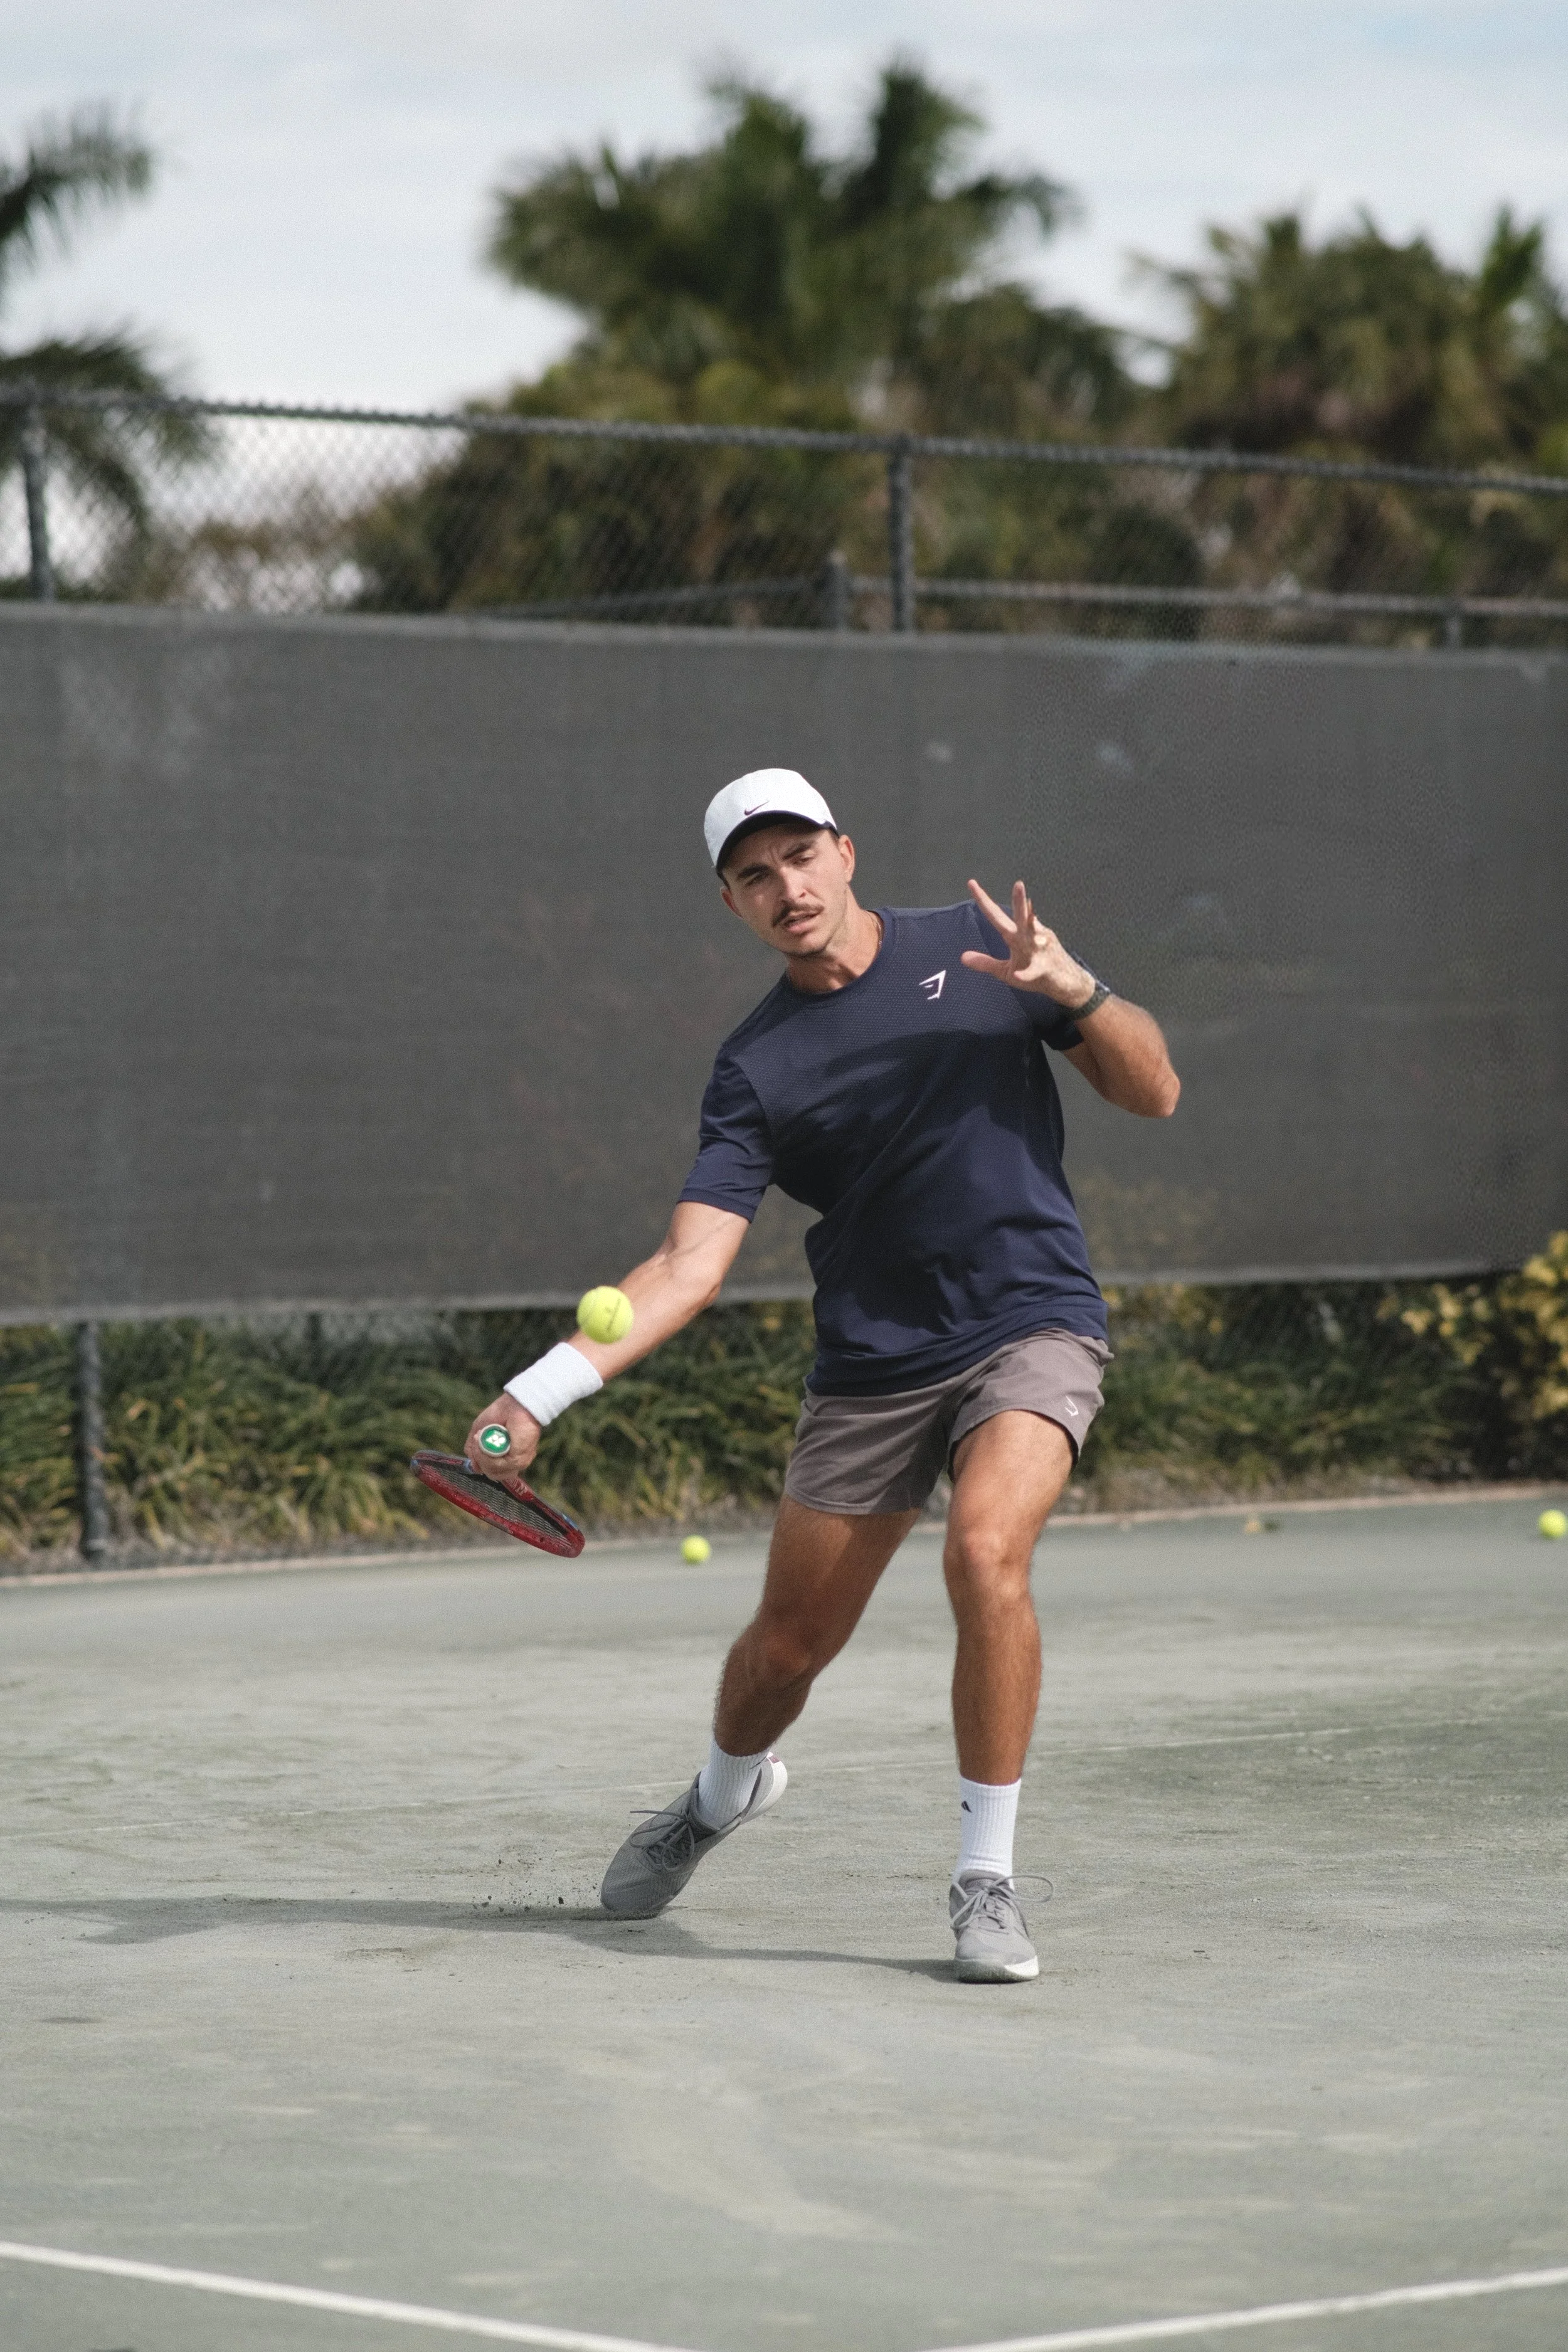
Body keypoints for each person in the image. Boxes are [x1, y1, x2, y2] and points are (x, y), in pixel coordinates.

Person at [467, 769, 1180, 1983]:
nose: (784, 886)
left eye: (799, 854)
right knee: (784, 1653)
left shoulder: (980, 946)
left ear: (844, 853)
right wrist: (536, 1392)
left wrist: (1077, 991)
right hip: (870, 1366)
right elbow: (689, 1263)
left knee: (983, 1552)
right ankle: (716, 1798)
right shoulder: (756, 1068)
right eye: (752, 874)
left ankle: (983, 1881)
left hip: (1031, 1319)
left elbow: (1153, 1088)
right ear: (732, 904)